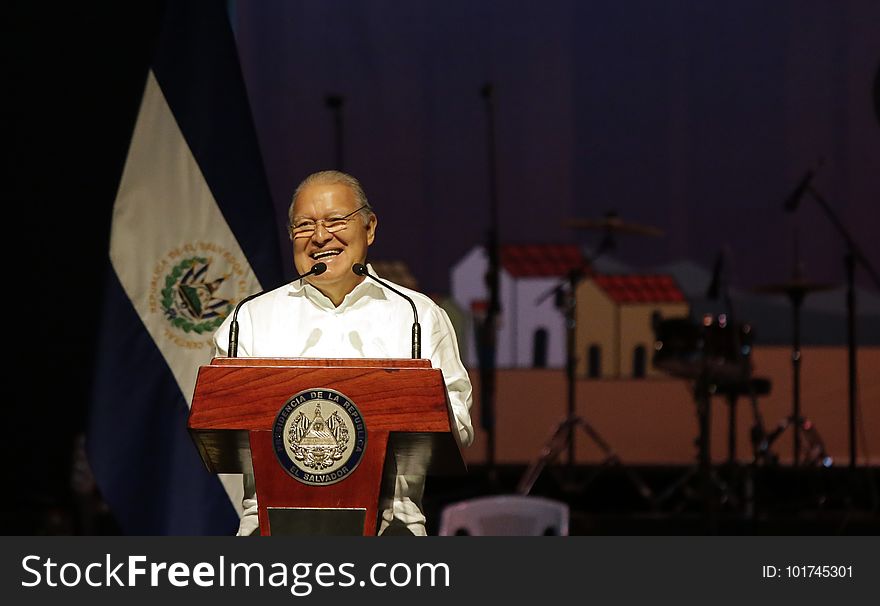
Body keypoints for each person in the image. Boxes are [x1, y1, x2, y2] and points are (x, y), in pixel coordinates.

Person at [213, 170, 474, 535]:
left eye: (335, 221)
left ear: (369, 228)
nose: (320, 236)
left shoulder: (417, 316)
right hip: (274, 530)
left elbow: (459, 430)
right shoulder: (250, 318)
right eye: (305, 225)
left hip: (391, 529)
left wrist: (407, 407)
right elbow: (220, 424)